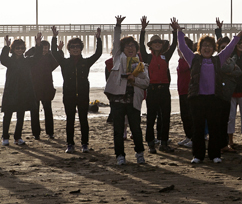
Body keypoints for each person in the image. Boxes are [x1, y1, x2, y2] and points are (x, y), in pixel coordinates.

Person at [178, 17, 242, 164]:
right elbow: (182, 47)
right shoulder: (193, 59)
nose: (207, 48)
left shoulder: (217, 60)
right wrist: (179, 31)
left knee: (215, 129)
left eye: (210, 46)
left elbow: (229, 49)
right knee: (198, 129)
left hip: (214, 98)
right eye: (204, 46)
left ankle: (215, 155)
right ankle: (197, 156)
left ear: (214, 48)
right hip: (197, 98)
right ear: (199, 48)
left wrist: (237, 37)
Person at [104, 15, 149, 165]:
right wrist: (117, 26)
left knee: (136, 128)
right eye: (127, 46)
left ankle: (139, 153)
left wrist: (133, 79)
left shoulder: (140, 64)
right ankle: (120, 155)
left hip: (133, 100)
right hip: (117, 99)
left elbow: (146, 82)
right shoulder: (118, 57)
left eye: (133, 46)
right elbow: (116, 42)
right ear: (122, 49)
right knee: (118, 129)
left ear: (137, 49)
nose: (130, 48)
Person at [51, 26, 103, 153]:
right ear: (68, 49)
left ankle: (84, 144)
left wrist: (98, 39)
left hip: (83, 95)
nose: (75, 48)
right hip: (68, 95)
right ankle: (70, 144)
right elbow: (53, 52)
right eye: (72, 46)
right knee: (70, 120)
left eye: (77, 46)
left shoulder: (86, 62)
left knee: (83, 119)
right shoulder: (64, 62)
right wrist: (54, 37)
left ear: (81, 49)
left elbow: (98, 54)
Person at [139, 16, 179, 153]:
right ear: (150, 45)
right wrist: (143, 30)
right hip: (152, 90)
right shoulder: (147, 57)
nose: (157, 44)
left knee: (165, 117)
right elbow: (140, 46)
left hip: (164, 90)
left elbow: (174, 45)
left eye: (159, 42)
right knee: (151, 117)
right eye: (154, 42)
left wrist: (175, 31)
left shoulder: (165, 56)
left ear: (162, 45)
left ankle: (163, 143)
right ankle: (150, 143)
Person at [216, 21, 242, 151]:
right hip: (231, 92)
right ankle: (231, 141)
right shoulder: (229, 56)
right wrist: (219, 30)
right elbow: (221, 47)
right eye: (238, 43)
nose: (240, 45)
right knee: (230, 118)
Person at [1, 34, 41, 146]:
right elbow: (2, 59)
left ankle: (17, 137)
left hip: (24, 91)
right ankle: (5, 137)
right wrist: (6, 47)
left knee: (21, 115)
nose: (20, 50)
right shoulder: (9, 61)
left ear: (24, 49)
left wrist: (38, 45)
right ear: (12, 49)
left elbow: (37, 57)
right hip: (11, 90)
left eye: (22, 48)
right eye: (17, 48)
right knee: (8, 114)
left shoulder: (27, 61)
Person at [28, 40, 59, 140]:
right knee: (34, 111)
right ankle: (36, 133)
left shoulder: (49, 58)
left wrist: (55, 52)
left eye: (46, 48)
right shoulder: (33, 57)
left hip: (47, 87)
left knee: (48, 110)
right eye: (43, 48)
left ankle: (50, 132)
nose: (44, 50)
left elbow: (57, 62)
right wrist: (35, 48)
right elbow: (26, 55)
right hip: (34, 87)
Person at [176, 36, 195, 148]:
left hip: (190, 91)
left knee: (190, 116)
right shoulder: (181, 60)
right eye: (179, 47)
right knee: (184, 116)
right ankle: (188, 136)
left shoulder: (191, 60)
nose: (180, 49)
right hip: (181, 91)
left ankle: (193, 138)